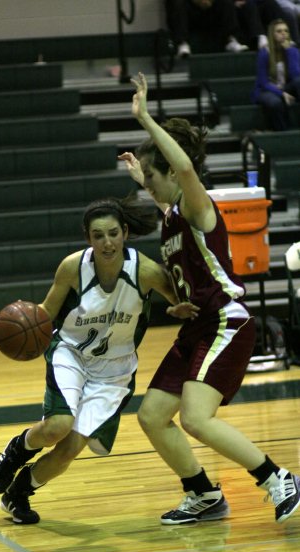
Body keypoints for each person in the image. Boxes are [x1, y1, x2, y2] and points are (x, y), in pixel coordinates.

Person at [118, 72, 300, 525]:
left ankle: (278, 478)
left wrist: (144, 119)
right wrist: (143, 179)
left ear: (170, 171)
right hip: (197, 325)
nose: (152, 187)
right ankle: (203, 494)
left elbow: (181, 172)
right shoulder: (172, 215)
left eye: (155, 177)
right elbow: (167, 198)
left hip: (226, 323)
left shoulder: (200, 206)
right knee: (153, 415)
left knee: (197, 419)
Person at [0, 197, 196, 524]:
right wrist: (10, 323)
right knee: (57, 426)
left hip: (115, 370)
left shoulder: (146, 271)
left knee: (70, 448)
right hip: (70, 354)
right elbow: (45, 313)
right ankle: (16, 451)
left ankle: (18, 494)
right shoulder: (73, 267)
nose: (107, 242)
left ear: (125, 232)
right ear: (88, 239)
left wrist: (181, 307)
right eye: (98, 235)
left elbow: (183, 300)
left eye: (113, 233)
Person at [252, 19, 300, 130]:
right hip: (267, 90)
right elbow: (263, 83)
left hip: (285, 87)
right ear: (272, 34)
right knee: (276, 102)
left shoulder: (292, 50)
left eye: (286, 31)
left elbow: (296, 75)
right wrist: (282, 93)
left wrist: (289, 51)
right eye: (279, 31)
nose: (283, 33)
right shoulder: (264, 53)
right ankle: (283, 133)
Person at [164, 0, 249, 58]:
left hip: (211, 9)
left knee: (226, 2)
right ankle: (182, 43)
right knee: (177, 3)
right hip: (190, 11)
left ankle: (231, 40)